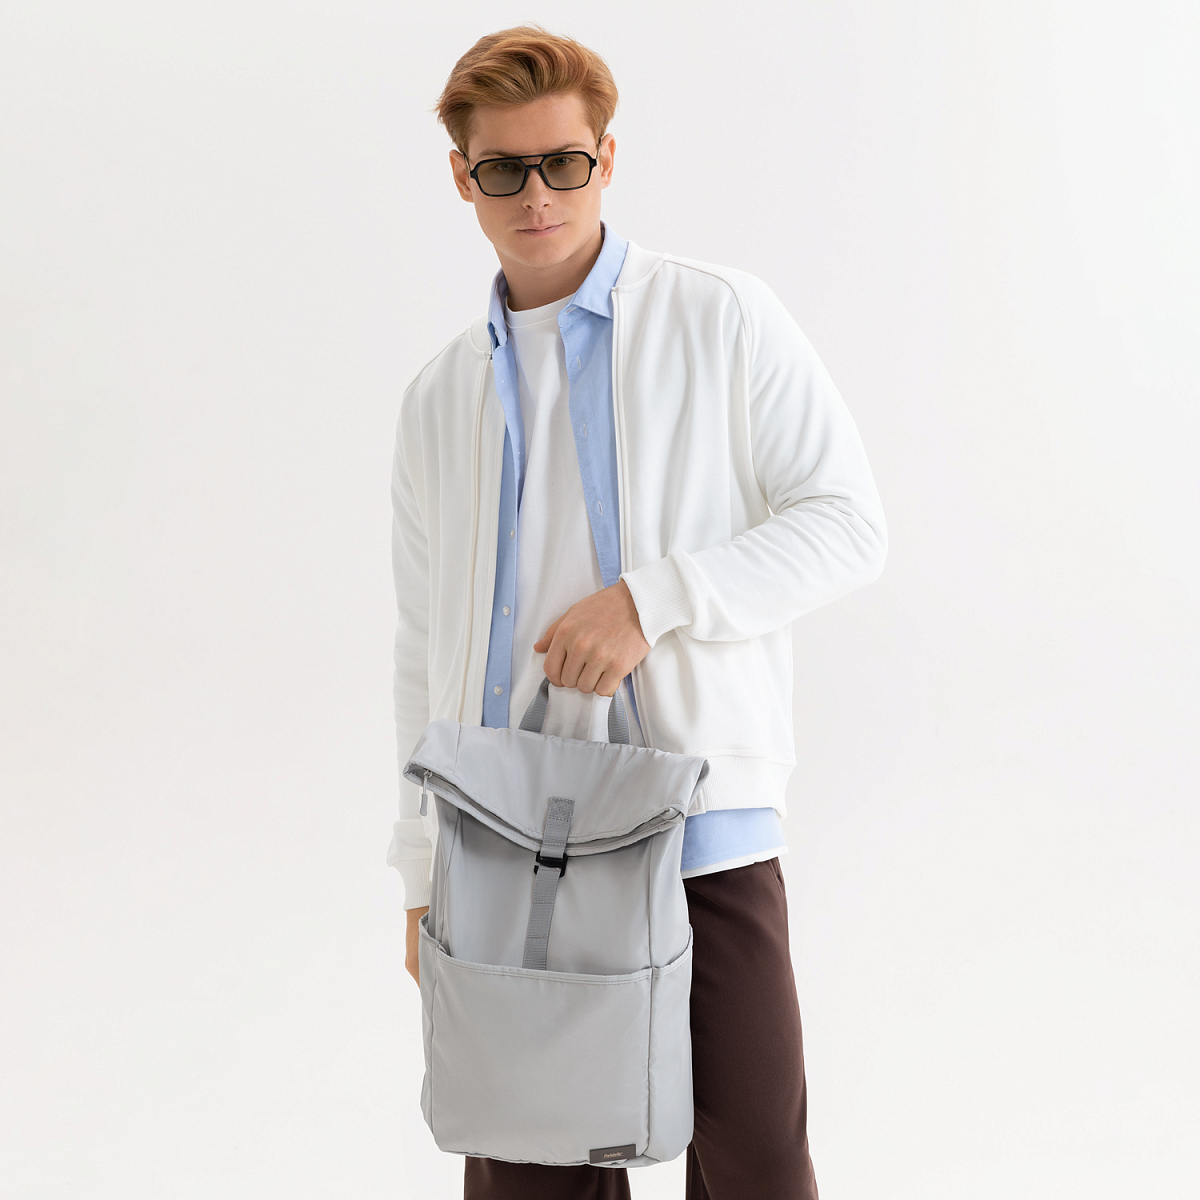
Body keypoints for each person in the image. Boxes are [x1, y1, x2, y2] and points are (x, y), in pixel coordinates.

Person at [386, 23, 887, 1200]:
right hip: (502, 843)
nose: (537, 195)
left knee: (757, 1162)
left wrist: (652, 603)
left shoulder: (721, 317)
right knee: (530, 1172)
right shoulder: (439, 398)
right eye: (504, 169)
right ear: (462, 177)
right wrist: (420, 870)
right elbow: (419, 648)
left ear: (607, 159)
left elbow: (848, 524)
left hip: (699, 817)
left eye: (563, 163)